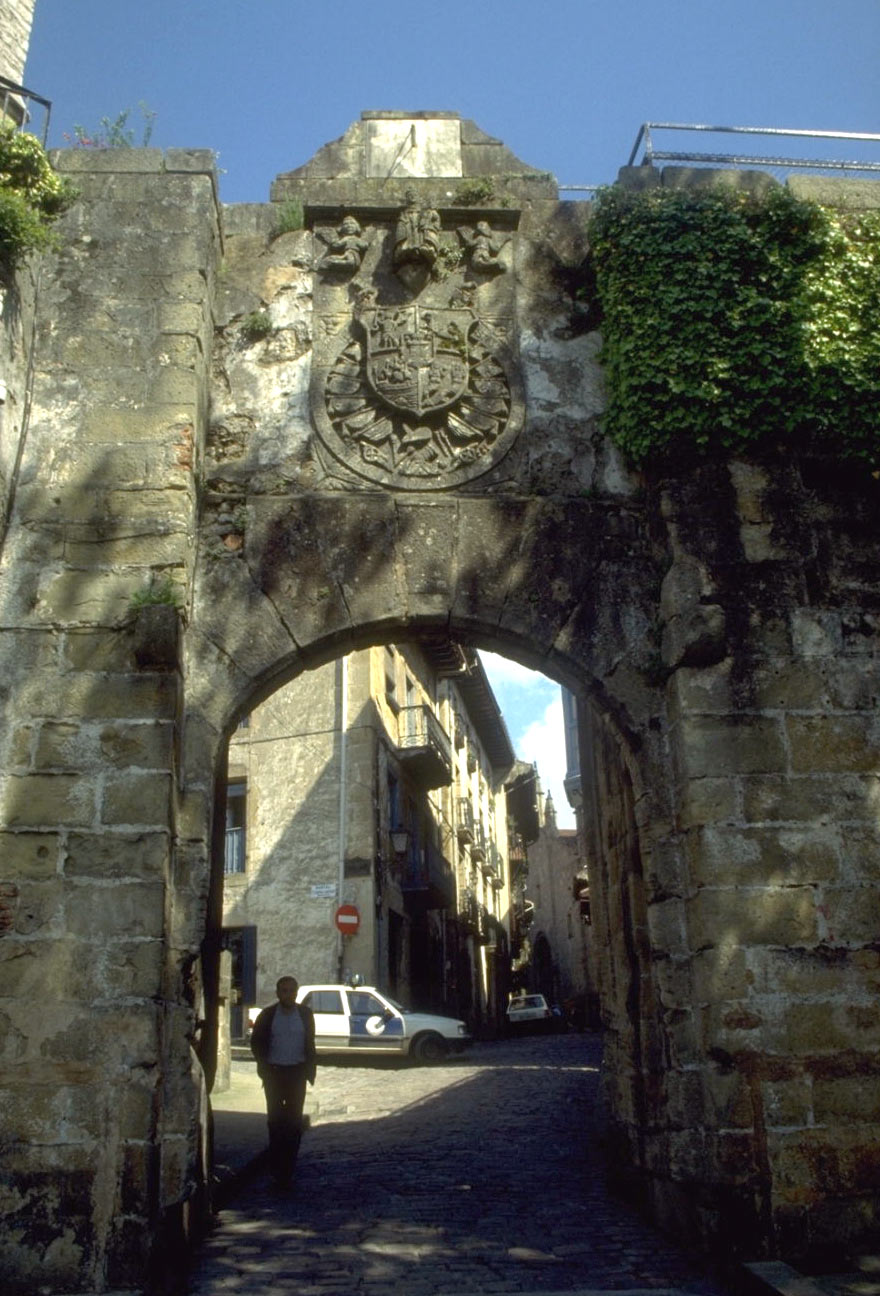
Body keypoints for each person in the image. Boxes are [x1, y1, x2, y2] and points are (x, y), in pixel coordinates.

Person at [250, 976, 317, 1187]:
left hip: (297, 1074)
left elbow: (310, 1042)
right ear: (278, 993)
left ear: (296, 993)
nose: (288, 995)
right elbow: (257, 1042)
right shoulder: (268, 1015)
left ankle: (288, 1168)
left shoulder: (305, 1015)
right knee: (276, 1121)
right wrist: (264, 1067)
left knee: (294, 1123)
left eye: (291, 991)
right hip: (275, 1074)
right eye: (284, 991)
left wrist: (309, 1070)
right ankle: (277, 1168)